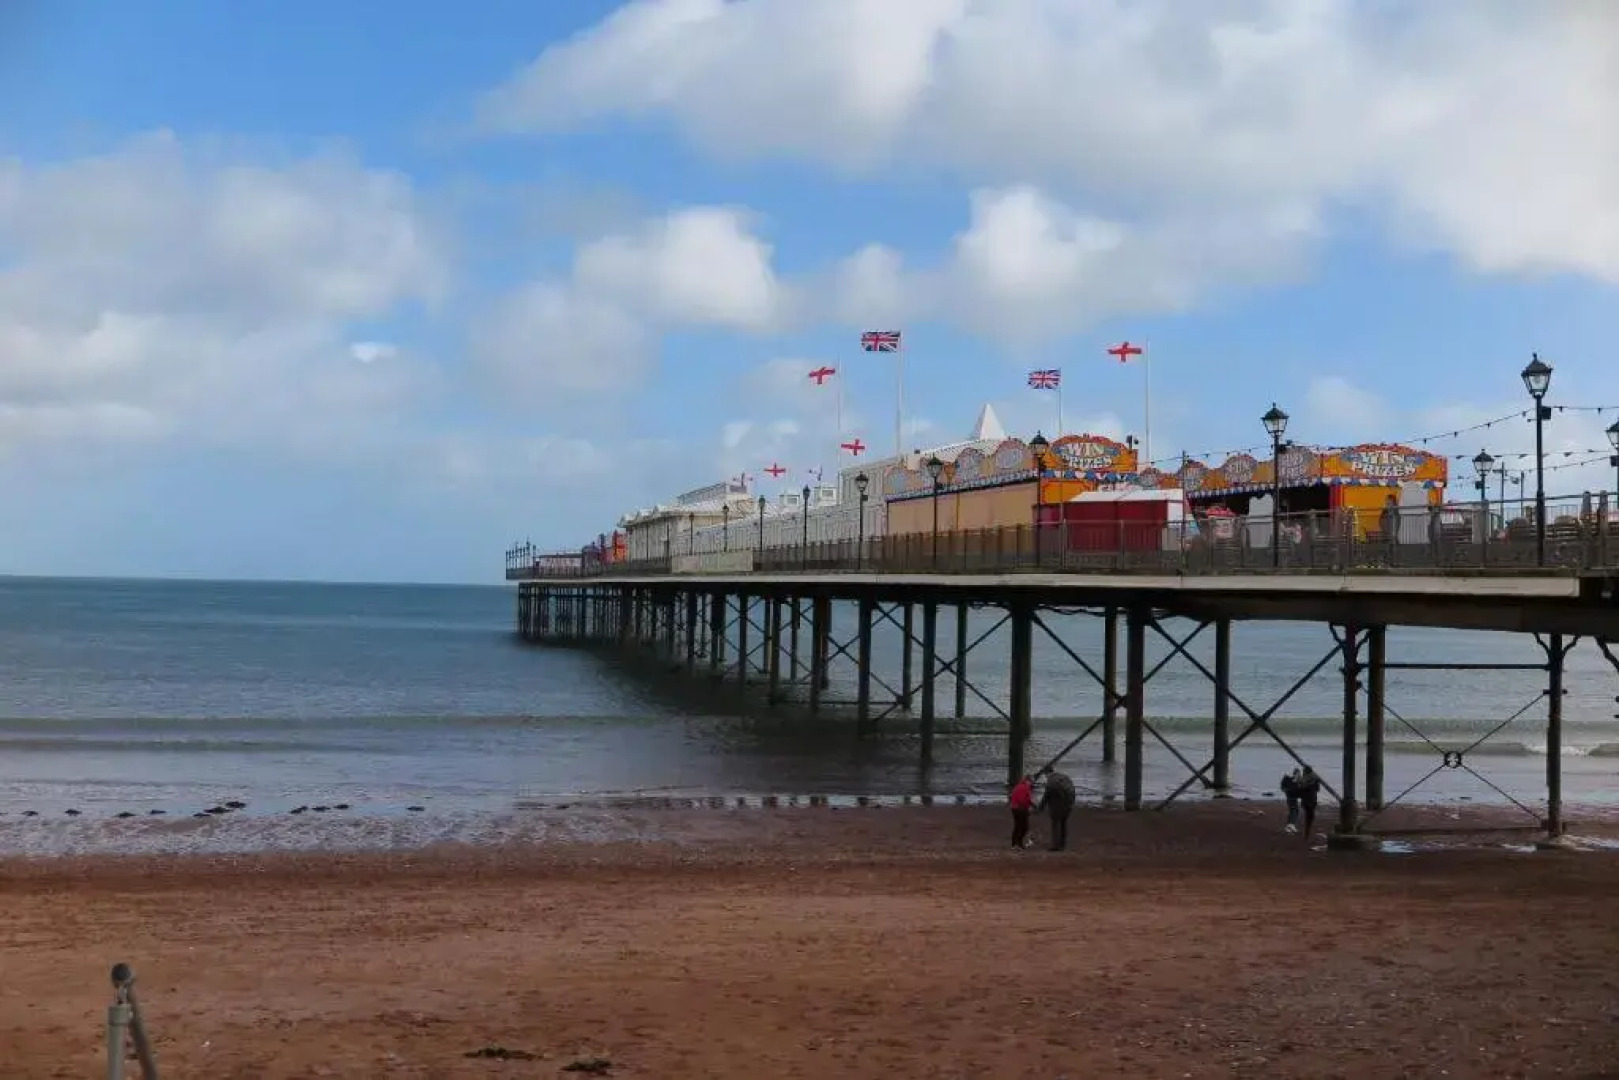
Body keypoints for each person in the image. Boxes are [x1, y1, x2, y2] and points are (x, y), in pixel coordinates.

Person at [1037, 768, 1076, 851]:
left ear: (1047, 774)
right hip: (1068, 804)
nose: (1046, 778)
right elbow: (1073, 790)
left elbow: (1046, 797)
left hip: (1057, 806)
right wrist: (1071, 804)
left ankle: (1055, 845)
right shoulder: (1065, 777)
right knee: (1063, 823)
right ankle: (1063, 844)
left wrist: (1040, 809)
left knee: (1055, 824)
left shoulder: (1051, 782)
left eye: (1045, 776)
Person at [1008, 773, 1034, 849]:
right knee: (1024, 827)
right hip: (1021, 808)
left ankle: (1014, 843)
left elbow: (1013, 796)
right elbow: (1025, 799)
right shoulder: (1026, 787)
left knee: (1017, 826)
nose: (1032, 783)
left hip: (1014, 808)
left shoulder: (1018, 786)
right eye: (1032, 781)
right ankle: (1019, 843)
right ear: (1028, 780)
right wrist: (1030, 807)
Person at [1296, 765, 1322, 836]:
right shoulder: (1315, 779)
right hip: (1312, 798)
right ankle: (1308, 829)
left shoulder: (1303, 779)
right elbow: (1318, 789)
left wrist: (1298, 779)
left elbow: (1300, 787)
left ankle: (1307, 830)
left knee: (1308, 814)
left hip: (1306, 799)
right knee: (1310, 815)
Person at [1280, 768, 1302, 833]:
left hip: (1293, 798)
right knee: (1294, 810)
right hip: (1290, 797)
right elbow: (1286, 788)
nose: (1297, 775)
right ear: (1294, 773)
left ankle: (1289, 826)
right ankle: (1291, 825)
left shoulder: (1297, 781)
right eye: (1297, 773)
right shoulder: (1290, 780)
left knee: (1294, 811)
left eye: (1298, 774)